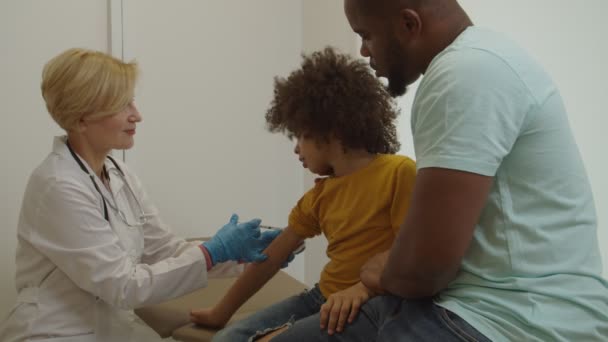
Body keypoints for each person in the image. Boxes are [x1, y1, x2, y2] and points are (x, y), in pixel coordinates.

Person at [326, 0, 608, 341]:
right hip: (481, 303)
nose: (363, 50)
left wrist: (379, 274)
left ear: (408, 25)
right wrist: (390, 269)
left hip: (520, 321)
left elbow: (423, 270)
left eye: (366, 35)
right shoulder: (479, 60)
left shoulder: (465, 73)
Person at [0, 48, 283, 342]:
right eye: (122, 105)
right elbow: (124, 285)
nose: (137, 115)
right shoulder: (58, 184)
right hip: (55, 333)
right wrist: (211, 253)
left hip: (111, 330)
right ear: (81, 119)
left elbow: (165, 249)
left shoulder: (119, 173)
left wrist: (243, 258)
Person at [189, 47, 416, 341]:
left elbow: (411, 250)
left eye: (300, 135)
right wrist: (222, 312)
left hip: (370, 305)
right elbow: (271, 258)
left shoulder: (399, 173)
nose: (296, 148)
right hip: (322, 297)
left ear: (328, 129)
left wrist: (366, 288)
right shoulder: (320, 195)